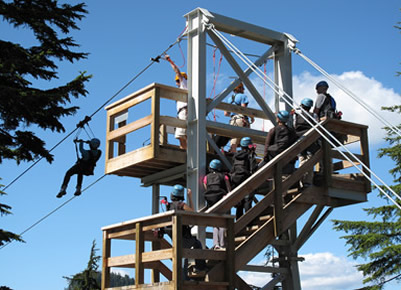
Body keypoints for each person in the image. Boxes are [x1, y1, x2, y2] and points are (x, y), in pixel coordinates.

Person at [164, 185, 207, 279]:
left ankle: (184, 278)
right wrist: (190, 197)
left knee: (183, 256)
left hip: (174, 236)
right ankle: (200, 268)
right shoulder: (182, 205)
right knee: (197, 244)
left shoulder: (169, 206)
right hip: (183, 235)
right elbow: (193, 212)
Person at [203, 159, 231, 250]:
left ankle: (216, 244)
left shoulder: (206, 177)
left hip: (211, 201)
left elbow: (205, 188)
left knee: (215, 224)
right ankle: (222, 244)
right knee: (222, 223)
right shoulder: (224, 176)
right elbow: (228, 189)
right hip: (221, 200)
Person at [230, 137, 258, 219]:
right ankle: (248, 222)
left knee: (239, 204)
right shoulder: (250, 156)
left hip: (236, 181)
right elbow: (253, 169)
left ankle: (239, 223)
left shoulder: (236, 156)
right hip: (246, 181)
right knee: (247, 201)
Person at [293, 98, 319, 187]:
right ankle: (307, 182)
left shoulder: (297, 115)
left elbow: (294, 126)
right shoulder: (314, 115)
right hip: (311, 141)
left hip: (300, 140)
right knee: (309, 161)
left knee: (301, 160)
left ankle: (301, 181)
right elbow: (317, 126)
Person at [165, 54, 188, 149]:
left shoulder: (185, 84)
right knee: (184, 135)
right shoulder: (185, 87)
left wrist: (170, 61)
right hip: (183, 112)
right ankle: (185, 150)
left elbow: (177, 71)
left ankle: (184, 151)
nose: (177, 83)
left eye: (178, 80)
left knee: (180, 134)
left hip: (184, 111)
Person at [313, 80, 346, 145]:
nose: (316, 91)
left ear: (320, 88)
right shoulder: (331, 98)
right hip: (331, 119)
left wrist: (315, 121)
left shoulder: (321, 96)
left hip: (323, 119)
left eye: (317, 89)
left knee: (321, 137)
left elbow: (316, 109)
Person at [224, 83, 254, 152]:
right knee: (246, 139)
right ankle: (246, 155)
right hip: (241, 119)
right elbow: (243, 109)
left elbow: (226, 113)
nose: (244, 89)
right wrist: (252, 117)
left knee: (234, 138)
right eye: (242, 88)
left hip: (232, 120)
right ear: (239, 88)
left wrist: (233, 114)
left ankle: (232, 152)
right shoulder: (243, 96)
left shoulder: (230, 99)